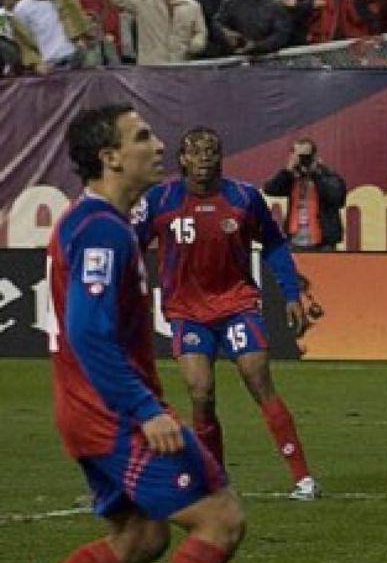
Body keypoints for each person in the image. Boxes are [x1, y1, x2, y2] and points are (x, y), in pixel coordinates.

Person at [0, 106, 244, 563]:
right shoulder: (103, 229)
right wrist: (146, 410)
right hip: (112, 415)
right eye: (142, 137)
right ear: (110, 157)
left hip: (86, 411)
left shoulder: (93, 223)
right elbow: (87, 332)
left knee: (140, 539)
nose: (158, 145)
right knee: (219, 520)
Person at [134, 127, 320, 501]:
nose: (204, 157)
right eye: (196, 151)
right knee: (201, 394)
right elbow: (129, 246)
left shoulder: (244, 197)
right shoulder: (159, 200)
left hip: (236, 304)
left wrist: (290, 292)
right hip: (186, 311)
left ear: (220, 157)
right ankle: (215, 480)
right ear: (182, 158)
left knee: (258, 378)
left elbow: (273, 244)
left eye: (212, 151)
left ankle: (303, 478)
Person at [262, 138, 348, 252]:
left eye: (306, 156)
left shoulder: (327, 175)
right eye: (299, 156)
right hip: (294, 240)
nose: (303, 160)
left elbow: (337, 198)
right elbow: (269, 189)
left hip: (323, 243)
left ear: (314, 156)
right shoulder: (291, 176)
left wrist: (317, 175)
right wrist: (287, 171)